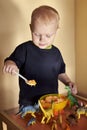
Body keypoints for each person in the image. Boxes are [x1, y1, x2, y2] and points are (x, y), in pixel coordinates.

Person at [3, 5, 77, 107]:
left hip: (52, 101)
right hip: (28, 103)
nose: (42, 39)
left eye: (48, 35)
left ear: (56, 31)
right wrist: (10, 64)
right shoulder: (25, 49)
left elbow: (60, 73)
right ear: (31, 28)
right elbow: (11, 61)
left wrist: (68, 82)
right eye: (37, 34)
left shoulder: (56, 53)